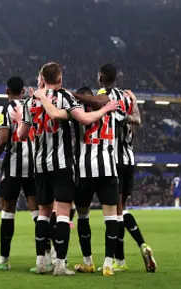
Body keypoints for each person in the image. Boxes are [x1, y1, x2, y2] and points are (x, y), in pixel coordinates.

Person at [20, 62, 119, 276]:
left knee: (44, 214)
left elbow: (20, 134)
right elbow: (83, 118)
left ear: (42, 78)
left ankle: (40, 262)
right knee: (63, 214)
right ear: (60, 78)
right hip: (61, 164)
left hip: (39, 165)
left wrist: (22, 118)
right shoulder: (64, 96)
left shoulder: (30, 101)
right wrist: (105, 109)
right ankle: (60, 265)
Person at [72, 64, 155, 273]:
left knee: (115, 213)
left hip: (111, 157)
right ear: (117, 77)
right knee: (119, 211)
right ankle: (134, 249)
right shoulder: (127, 97)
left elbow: (97, 108)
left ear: (100, 78)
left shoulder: (101, 97)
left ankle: (119, 260)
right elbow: (136, 121)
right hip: (128, 158)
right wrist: (127, 110)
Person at [0, 76, 38, 271]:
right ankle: (46, 258)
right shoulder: (32, 107)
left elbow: (2, 139)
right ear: (23, 91)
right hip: (33, 163)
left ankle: (3, 260)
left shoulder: (4, 109)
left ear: (7, 91)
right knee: (37, 211)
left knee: (8, 210)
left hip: (14, 162)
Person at [68, 87, 121, 277]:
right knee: (111, 217)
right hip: (108, 170)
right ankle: (108, 264)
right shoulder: (111, 108)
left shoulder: (77, 113)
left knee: (83, 216)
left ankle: (88, 262)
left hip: (85, 171)